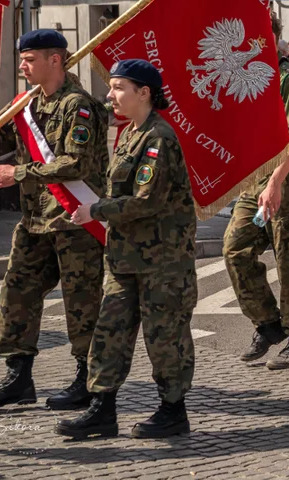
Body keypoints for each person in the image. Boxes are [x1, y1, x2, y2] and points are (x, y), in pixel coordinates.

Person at [57, 60, 197, 440]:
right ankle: (102, 409)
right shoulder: (131, 134)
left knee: (165, 337)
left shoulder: (158, 138)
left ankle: (173, 410)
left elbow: (145, 201)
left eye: (119, 87)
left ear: (144, 93)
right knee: (109, 333)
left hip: (162, 263)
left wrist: (95, 210)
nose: (110, 95)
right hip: (125, 259)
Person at [0, 30, 108, 411]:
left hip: (74, 219)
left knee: (81, 302)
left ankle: (88, 381)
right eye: (22, 58)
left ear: (55, 60)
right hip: (35, 220)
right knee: (16, 294)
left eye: (29, 59)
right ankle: (18, 377)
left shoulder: (79, 106)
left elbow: (76, 163)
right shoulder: (25, 103)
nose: (22, 65)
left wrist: (18, 174)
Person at [223, 16, 289, 371]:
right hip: (255, 178)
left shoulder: (287, 77)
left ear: (273, 38)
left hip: (287, 177)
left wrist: (276, 183)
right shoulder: (249, 76)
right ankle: (268, 324)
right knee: (235, 249)